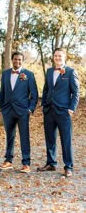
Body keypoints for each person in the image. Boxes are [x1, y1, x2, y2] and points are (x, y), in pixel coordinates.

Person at [37, 48, 80, 177]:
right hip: (49, 110)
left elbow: (76, 92)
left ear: (64, 57)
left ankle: (68, 166)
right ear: (53, 57)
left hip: (63, 111)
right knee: (50, 139)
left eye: (60, 56)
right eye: (55, 56)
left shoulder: (71, 72)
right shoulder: (49, 72)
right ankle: (51, 163)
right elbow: (46, 90)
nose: (57, 58)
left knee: (66, 140)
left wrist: (71, 108)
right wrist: (44, 104)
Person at [0, 51, 38, 173]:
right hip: (8, 110)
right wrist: (2, 107)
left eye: (19, 60)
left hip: (23, 111)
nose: (17, 61)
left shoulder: (29, 75)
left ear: (22, 61)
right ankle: (8, 161)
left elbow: (35, 95)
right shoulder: (5, 74)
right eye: (15, 59)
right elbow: (2, 92)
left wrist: (30, 109)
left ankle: (26, 163)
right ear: (12, 60)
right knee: (9, 136)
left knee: (24, 137)